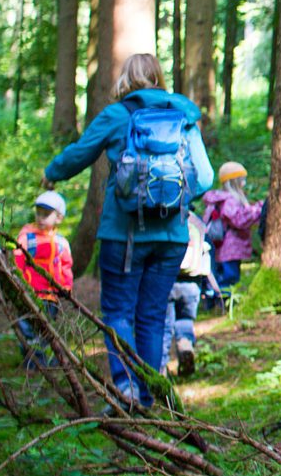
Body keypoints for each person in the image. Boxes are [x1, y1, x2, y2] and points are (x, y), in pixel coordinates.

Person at [43, 53, 213, 410]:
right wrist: (172, 201)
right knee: (152, 315)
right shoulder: (183, 116)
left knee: (118, 312)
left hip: (124, 234)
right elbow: (206, 177)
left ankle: (127, 390)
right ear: (158, 77)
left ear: (126, 80)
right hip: (171, 238)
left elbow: (80, 153)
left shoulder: (117, 115)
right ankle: (148, 394)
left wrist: (52, 173)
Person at [13, 191, 73, 369]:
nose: (40, 218)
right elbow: (18, 262)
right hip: (29, 293)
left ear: (59, 218)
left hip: (50, 297)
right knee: (27, 327)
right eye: (38, 213)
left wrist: (66, 286)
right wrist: (17, 283)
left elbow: (66, 266)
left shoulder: (61, 243)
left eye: (46, 214)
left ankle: (47, 358)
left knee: (46, 328)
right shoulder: (27, 238)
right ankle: (33, 362)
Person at [160, 212, 215, 377]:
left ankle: (160, 367)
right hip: (192, 282)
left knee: (165, 326)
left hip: (167, 280)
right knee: (185, 319)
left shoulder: (165, 218)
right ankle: (185, 344)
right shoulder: (197, 222)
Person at [203, 162, 263, 291]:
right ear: (234, 182)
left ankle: (215, 296)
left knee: (223, 276)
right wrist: (259, 209)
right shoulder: (229, 200)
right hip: (229, 248)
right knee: (229, 278)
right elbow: (239, 220)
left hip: (221, 247)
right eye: (242, 180)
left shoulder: (219, 199)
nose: (244, 183)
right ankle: (220, 298)